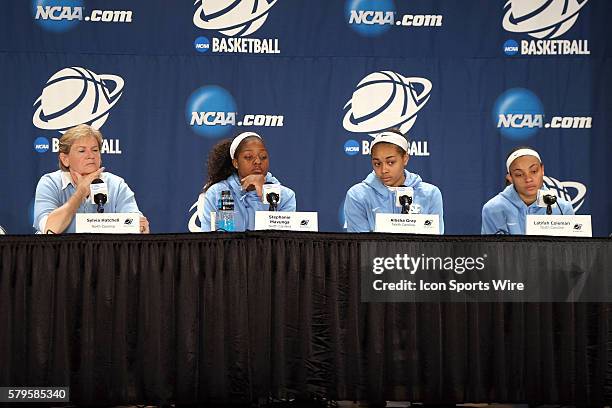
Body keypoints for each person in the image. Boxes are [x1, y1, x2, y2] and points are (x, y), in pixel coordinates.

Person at [33, 124, 149, 234]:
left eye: (95, 150)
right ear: (65, 159)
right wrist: (80, 193)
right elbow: (48, 229)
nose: (91, 155)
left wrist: (140, 226)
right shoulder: (50, 183)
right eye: (82, 151)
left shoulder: (116, 185)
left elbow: (135, 224)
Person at [344, 130, 444, 233]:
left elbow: (435, 244)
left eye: (390, 162)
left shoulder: (430, 194)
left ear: (405, 158)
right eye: (377, 164)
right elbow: (361, 245)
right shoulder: (357, 195)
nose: (384, 170)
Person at [201, 131, 296, 232]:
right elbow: (208, 241)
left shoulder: (285, 196)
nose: (258, 161)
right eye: (248, 157)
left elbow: (281, 241)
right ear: (236, 163)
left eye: (263, 157)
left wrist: (261, 194)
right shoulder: (217, 192)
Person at [481, 146, 574, 235]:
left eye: (533, 171)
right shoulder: (493, 209)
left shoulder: (563, 208)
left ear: (542, 170)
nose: (528, 179)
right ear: (510, 178)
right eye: (519, 174)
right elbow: (491, 250)